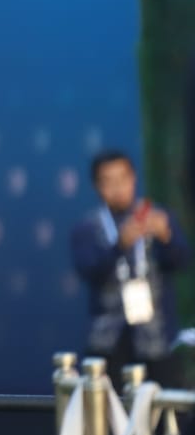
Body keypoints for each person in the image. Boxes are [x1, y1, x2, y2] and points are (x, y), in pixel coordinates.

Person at [70, 149, 190, 389]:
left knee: (168, 413)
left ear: (133, 178)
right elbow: (88, 270)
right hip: (108, 341)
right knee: (109, 413)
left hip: (156, 337)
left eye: (123, 179)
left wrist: (165, 236)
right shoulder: (88, 227)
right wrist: (119, 245)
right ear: (97, 186)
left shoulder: (156, 216)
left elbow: (182, 262)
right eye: (108, 181)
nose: (117, 188)